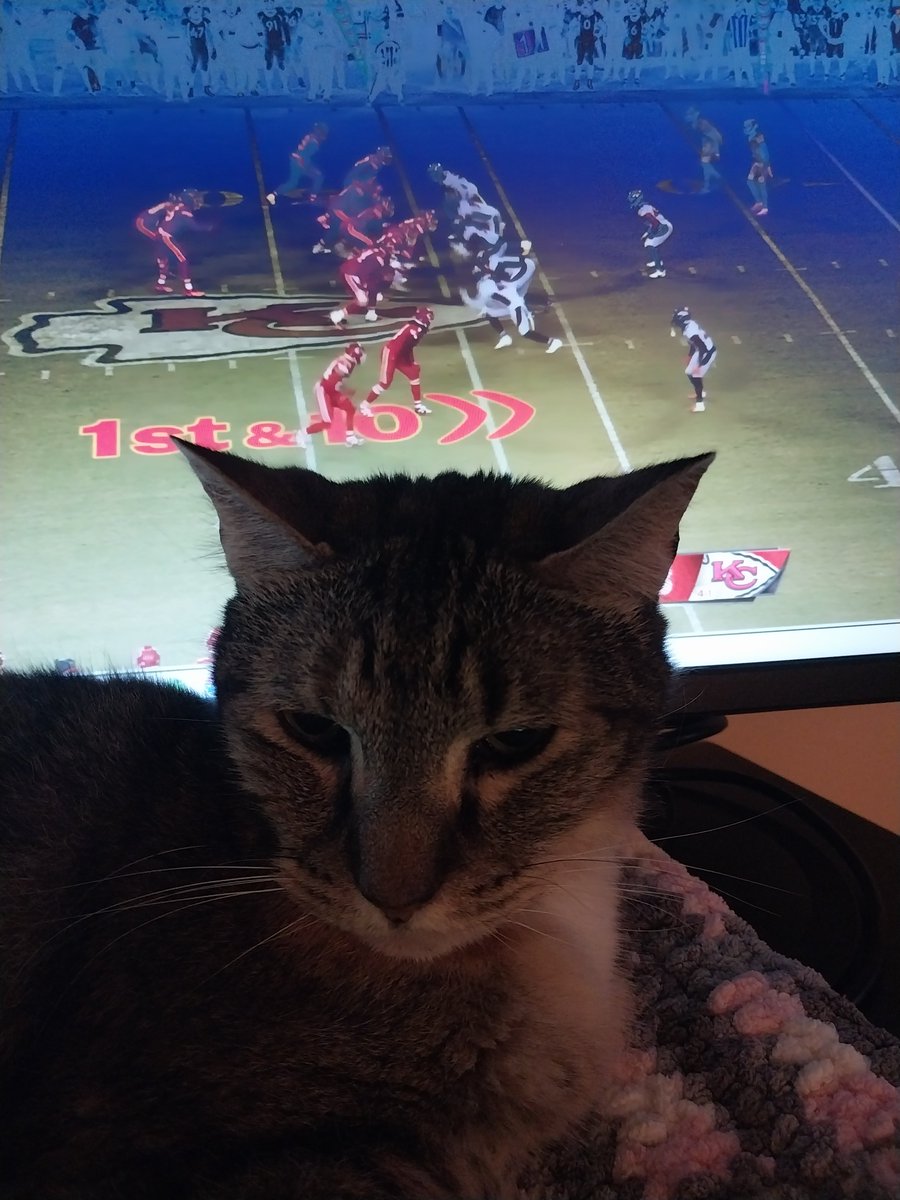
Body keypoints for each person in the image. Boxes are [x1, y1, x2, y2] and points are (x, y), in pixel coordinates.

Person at [461, 241, 562, 353]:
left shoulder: (495, 281)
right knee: (489, 313)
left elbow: (499, 297)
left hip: (514, 306)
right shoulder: (496, 280)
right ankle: (504, 336)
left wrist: (473, 301)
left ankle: (553, 342)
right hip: (510, 301)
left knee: (525, 332)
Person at [360, 307, 434, 416]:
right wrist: (410, 361)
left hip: (399, 354)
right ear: (424, 317)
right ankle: (364, 405)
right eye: (429, 316)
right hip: (390, 354)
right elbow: (406, 348)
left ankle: (418, 405)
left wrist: (411, 362)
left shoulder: (418, 327)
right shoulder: (415, 329)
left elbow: (408, 348)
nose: (430, 319)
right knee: (385, 383)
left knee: (414, 373)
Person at [134, 189, 207, 296]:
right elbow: (192, 225)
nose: (198, 202)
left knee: (163, 256)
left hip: (156, 229)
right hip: (147, 225)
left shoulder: (175, 207)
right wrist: (209, 227)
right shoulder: (179, 209)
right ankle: (188, 289)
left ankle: (160, 283)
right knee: (182, 259)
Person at [301, 342, 367, 448]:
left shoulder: (347, 362)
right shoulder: (345, 365)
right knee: (327, 423)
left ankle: (350, 437)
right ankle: (302, 434)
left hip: (331, 391)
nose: (363, 355)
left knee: (350, 408)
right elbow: (333, 382)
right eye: (361, 352)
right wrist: (348, 391)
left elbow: (337, 382)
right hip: (324, 392)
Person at [329, 242, 393, 325]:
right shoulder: (377, 260)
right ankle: (337, 315)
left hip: (353, 270)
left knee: (372, 295)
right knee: (362, 300)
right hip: (352, 273)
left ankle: (370, 311)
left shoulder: (375, 253)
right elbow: (367, 275)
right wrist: (365, 287)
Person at [266, 122, 328, 206]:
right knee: (319, 177)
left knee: (293, 182)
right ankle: (313, 198)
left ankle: (273, 194)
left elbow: (301, 151)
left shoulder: (308, 136)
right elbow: (304, 156)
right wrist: (307, 167)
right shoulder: (314, 144)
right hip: (299, 162)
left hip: (294, 159)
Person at [671, 306, 716, 412]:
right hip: (700, 350)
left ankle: (700, 404)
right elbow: (694, 343)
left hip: (707, 352)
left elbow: (702, 347)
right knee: (689, 372)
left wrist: (699, 365)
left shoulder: (690, 330)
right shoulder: (688, 326)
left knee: (696, 375)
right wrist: (690, 356)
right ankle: (700, 392)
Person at [628, 189, 672, 278]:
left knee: (650, 244)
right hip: (664, 225)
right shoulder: (645, 206)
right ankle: (655, 260)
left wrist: (652, 233)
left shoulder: (643, 210)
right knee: (648, 243)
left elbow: (655, 223)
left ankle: (660, 270)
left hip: (663, 227)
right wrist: (647, 233)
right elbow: (653, 222)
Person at [685, 106, 723, 193]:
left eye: (690, 114)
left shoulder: (702, 123)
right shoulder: (697, 124)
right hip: (708, 142)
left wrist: (709, 149)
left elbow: (713, 137)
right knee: (705, 163)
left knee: (705, 162)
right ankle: (714, 177)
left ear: (696, 113)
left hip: (711, 142)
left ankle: (708, 185)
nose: (687, 116)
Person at [743, 118, 772, 216]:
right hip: (756, 162)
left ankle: (765, 207)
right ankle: (759, 202)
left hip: (762, 163)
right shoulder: (751, 138)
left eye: (748, 126)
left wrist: (766, 166)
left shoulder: (758, 137)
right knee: (750, 181)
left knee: (761, 183)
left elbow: (764, 152)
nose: (746, 129)